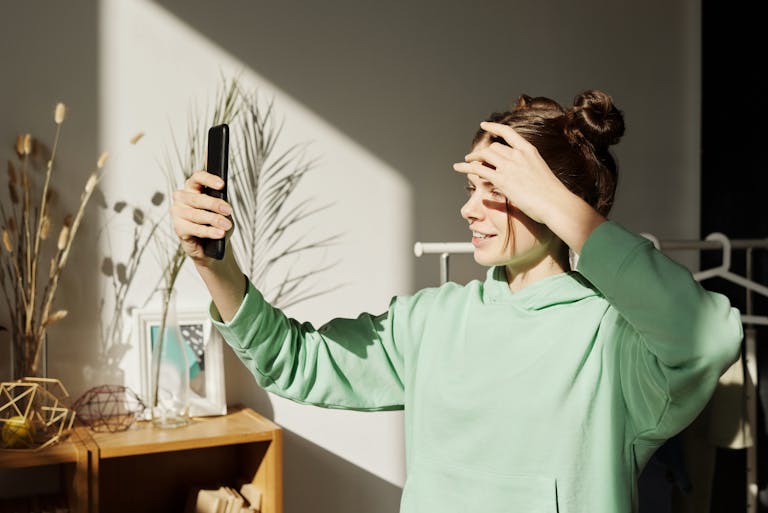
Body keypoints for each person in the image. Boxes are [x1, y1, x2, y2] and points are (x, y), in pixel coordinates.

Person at [171, 89, 743, 513]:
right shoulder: (432, 320)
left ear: (551, 201)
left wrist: (563, 209)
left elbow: (712, 336)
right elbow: (294, 362)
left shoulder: (612, 338)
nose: (470, 209)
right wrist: (214, 264)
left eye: (496, 191)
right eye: (471, 188)